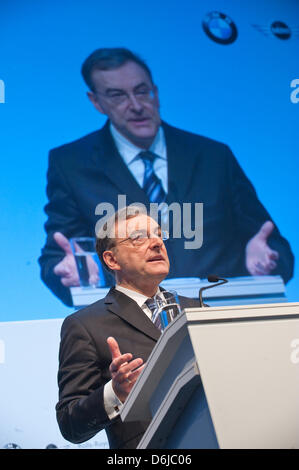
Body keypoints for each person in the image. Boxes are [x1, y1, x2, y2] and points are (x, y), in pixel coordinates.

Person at [39, 48, 294, 307]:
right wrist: (70, 272)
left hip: (219, 317)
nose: (136, 106)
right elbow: (55, 259)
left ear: (156, 92)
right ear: (96, 102)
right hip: (130, 326)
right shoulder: (71, 164)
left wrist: (267, 259)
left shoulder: (213, 156)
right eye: (117, 96)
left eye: (142, 91)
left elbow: (272, 244)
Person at [56, 208, 201, 449]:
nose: (156, 243)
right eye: (139, 238)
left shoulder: (197, 308)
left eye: (158, 235)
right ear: (112, 260)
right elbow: (69, 423)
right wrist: (115, 392)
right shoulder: (85, 325)